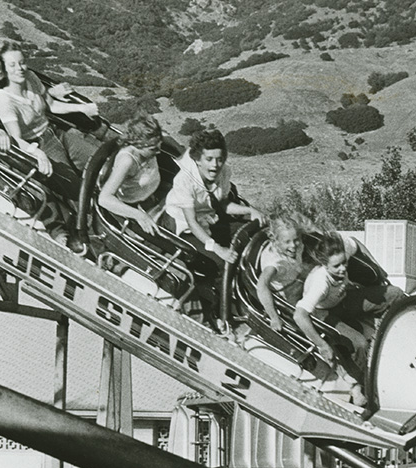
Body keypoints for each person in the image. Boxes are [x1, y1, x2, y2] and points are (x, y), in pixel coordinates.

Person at [294, 232, 405, 406]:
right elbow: (299, 315)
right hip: (325, 313)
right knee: (360, 343)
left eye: (344, 262)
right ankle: (360, 383)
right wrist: (321, 345)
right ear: (324, 264)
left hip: (344, 299)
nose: (343, 268)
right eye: (336, 266)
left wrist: (378, 270)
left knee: (395, 293)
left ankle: (402, 338)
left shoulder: (343, 251)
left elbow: (357, 244)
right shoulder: (320, 283)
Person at [0, 42, 100, 192]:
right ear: (4, 70)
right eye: (12, 65)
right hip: (40, 144)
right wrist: (39, 154)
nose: (19, 69)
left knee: (98, 161)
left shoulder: (30, 77)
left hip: (56, 132)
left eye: (22, 63)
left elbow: (51, 104)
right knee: (75, 187)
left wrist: (82, 108)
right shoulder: (5, 101)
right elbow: (16, 139)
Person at [165, 129, 264, 266]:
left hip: (209, 219)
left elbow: (223, 204)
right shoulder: (184, 180)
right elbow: (192, 222)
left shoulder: (224, 172)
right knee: (219, 264)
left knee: (251, 238)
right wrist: (217, 249)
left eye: (220, 159)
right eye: (209, 159)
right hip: (186, 228)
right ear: (198, 159)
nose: (215, 165)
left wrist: (250, 211)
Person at [97, 112, 164, 235]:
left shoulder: (149, 149)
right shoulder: (127, 161)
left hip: (155, 198)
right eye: (154, 149)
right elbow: (104, 198)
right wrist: (139, 216)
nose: (159, 152)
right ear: (138, 145)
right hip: (137, 207)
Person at [256, 214, 311, 332]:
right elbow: (261, 286)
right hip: (289, 296)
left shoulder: (295, 245)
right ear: (275, 241)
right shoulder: (274, 263)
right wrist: (274, 317)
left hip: (299, 279)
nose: (293, 245)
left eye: (296, 239)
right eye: (287, 242)